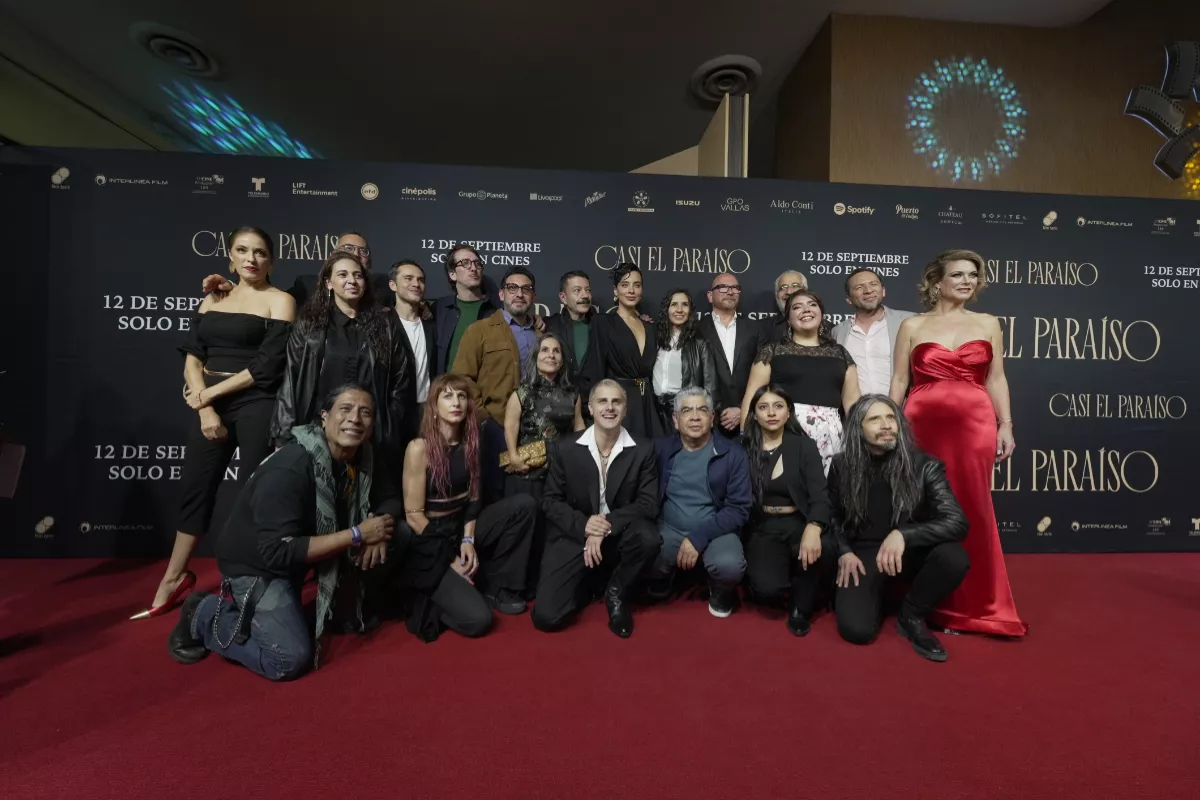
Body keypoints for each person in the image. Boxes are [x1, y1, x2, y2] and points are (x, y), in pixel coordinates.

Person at [167, 385, 399, 680]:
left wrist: (379, 524)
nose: (355, 418)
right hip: (258, 566)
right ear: (324, 417)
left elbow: (390, 497)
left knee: (397, 539)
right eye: (346, 409)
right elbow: (278, 551)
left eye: (365, 412)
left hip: (303, 555)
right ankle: (202, 612)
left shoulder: (364, 457)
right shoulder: (291, 466)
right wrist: (358, 534)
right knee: (287, 659)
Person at [136, 226, 295, 619]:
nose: (251, 258)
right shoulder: (213, 299)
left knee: (252, 497)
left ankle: (250, 579)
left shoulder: (281, 300)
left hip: (257, 402)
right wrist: (204, 407)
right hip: (209, 405)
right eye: (242, 250)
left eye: (260, 252)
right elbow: (193, 356)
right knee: (195, 490)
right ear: (230, 257)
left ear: (271, 260)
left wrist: (209, 395)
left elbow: (267, 367)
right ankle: (173, 577)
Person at [890, 249, 1027, 637]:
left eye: (973, 275)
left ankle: (979, 604)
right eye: (958, 275)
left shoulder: (988, 323)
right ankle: (921, 600)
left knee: (973, 506)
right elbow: (900, 381)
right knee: (922, 506)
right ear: (937, 282)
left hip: (974, 425)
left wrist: (1006, 425)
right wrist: (894, 425)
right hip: (921, 425)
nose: (967, 281)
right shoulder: (912, 326)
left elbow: (996, 378)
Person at [828, 395, 971, 661]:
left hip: (910, 549)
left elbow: (957, 522)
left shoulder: (925, 466)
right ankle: (875, 598)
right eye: (875, 419)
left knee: (954, 557)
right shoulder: (840, 465)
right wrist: (844, 551)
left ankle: (911, 615)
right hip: (864, 553)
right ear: (858, 428)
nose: (886, 425)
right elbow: (832, 516)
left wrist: (904, 534)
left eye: (891, 417)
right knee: (857, 631)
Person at [397, 374, 537, 641]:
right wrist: (450, 560)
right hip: (430, 538)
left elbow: (474, 500)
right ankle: (435, 592)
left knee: (524, 505)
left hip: (460, 526)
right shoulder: (419, 447)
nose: (456, 402)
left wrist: (468, 539)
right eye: (447, 396)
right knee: (479, 620)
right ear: (434, 407)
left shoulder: (472, 442)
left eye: (461, 396)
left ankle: (499, 586)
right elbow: (414, 517)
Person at [532, 379, 660, 638]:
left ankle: (617, 592)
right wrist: (585, 526)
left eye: (617, 402)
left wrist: (605, 525)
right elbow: (550, 500)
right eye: (602, 401)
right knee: (547, 617)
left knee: (649, 538)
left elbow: (648, 504)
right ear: (590, 408)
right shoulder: (566, 447)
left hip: (619, 533)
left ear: (626, 409)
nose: (609, 408)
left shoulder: (643, 448)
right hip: (574, 533)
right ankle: (590, 583)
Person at [270, 250, 414, 476]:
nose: (352, 281)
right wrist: (283, 435)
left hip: (370, 435)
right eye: (343, 275)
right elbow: (291, 380)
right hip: (317, 431)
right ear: (329, 283)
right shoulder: (309, 325)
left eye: (358, 275)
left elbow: (400, 380)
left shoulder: (385, 326)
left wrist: (387, 425)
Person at [740, 384, 832, 636]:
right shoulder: (743, 448)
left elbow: (820, 497)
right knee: (767, 591)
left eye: (778, 406)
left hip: (799, 522)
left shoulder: (804, 446)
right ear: (754, 414)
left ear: (788, 412)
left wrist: (813, 527)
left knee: (823, 548)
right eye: (763, 407)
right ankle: (788, 575)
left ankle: (802, 607)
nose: (771, 412)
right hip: (763, 526)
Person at [650, 387, 750, 617]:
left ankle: (720, 589)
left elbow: (739, 508)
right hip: (669, 527)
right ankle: (662, 578)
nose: (695, 416)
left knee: (729, 566)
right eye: (687, 410)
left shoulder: (733, 453)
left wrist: (698, 537)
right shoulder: (659, 449)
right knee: (643, 549)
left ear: (712, 418)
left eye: (702, 410)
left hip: (716, 529)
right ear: (675, 420)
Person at [741, 290, 860, 474]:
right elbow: (751, 398)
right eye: (797, 307)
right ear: (788, 319)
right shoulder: (772, 351)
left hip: (830, 437)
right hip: (782, 431)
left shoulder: (841, 354)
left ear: (821, 313)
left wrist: (858, 444)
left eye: (812, 305)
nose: (806, 310)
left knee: (825, 495)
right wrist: (746, 438)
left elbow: (853, 404)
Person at [504, 332, 586, 595]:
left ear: (562, 360)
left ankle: (546, 582)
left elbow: (579, 431)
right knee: (528, 530)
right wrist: (514, 456)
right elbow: (510, 426)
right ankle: (518, 586)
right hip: (527, 472)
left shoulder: (572, 394)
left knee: (553, 530)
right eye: (545, 351)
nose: (551, 355)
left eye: (556, 351)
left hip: (559, 474)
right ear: (536, 357)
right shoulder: (522, 392)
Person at [200, 231, 390, 307]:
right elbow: (268, 300)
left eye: (362, 251)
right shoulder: (306, 285)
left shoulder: (386, 290)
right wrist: (235, 290)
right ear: (332, 256)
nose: (355, 254)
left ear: (370, 262)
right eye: (347, 248)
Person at [452, 266, 539, 426]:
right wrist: (483, 418)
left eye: (526, 289)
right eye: (512, 288)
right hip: (496, 425)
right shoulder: (478, 331)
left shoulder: (542, 334)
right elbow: (462, 378)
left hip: (536, 426)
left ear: (533, 296)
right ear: (501, 294)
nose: (519, 294)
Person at [580, 263, 658, 438]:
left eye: (636, 285)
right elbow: (596, 368)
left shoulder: (650, 327)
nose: (631, 290)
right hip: (618, 403)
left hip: (648, 404)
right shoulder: (603, 323)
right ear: (615, 291)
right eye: (625, 285)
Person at [830, 268, 915, 396]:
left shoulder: (908, 321)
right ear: (848, 299)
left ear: (883, 291)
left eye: (873, 284)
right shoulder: (838, 332)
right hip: (856, 413)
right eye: (859, 287)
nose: (868, 291)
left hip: (902, 411)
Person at [700, 273, 765, 439]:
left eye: (735, 288)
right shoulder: (696, 330)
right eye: (722, 287)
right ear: (710, 295)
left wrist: (742, 409)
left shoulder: (755, 329)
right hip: (707, 420)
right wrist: (717, 410)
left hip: (748, 421)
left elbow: (763, 375)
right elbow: (693, 377)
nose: (730, 292)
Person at [651, 288, 717, 435]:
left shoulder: (700, 344)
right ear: (666, 309)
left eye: (684, 305)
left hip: (684, 410)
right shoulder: (654, 338)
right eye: (674, 304)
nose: (679, 310)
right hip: (654, 410)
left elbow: (710, 386)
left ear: (690, 310)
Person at [434, 243, 499, 373]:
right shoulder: (439, 308)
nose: (473, 268)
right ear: (452, 274)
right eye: (465, 263)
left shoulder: (497, 309)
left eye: (477, 263)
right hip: (446, 389)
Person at [389, 259, 437, 435]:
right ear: (393, 285)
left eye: (421, 280)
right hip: (393, 413)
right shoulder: (383, 325)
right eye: (408, 278)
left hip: (427, 413)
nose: (416, 284)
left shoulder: (432, 326)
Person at [544, 270, 595, 383]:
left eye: (588, 290)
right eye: (577, 290)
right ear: (563, 297)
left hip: (594, 397)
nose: (585, 295)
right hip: (560, 396)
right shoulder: (549, 325)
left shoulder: (602, 324)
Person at [771, 271, 808, 339]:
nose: (789, 292)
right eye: (783, 287)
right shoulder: (761, 329)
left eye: (795, 286)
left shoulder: (827, 329)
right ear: (776, 294)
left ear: (806, 291)